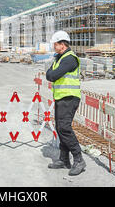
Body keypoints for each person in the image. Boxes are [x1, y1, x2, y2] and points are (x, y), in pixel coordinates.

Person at [45, 30, 86, 176]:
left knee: (64, 128)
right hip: (61, 97)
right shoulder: (59, 58)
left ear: (62, 44)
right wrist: (50, 73)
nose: (53, 47)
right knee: (60, 127)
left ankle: (78, 159)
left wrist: (51, 74)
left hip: (69, 97)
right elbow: (49, 74)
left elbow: (52, 75)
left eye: (55, 44)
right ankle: (64, 159)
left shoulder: (69, 59)